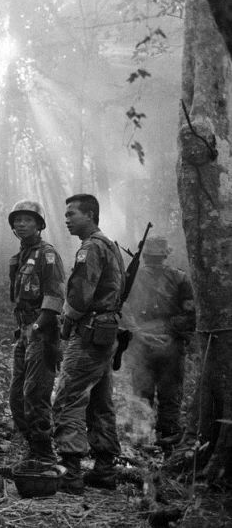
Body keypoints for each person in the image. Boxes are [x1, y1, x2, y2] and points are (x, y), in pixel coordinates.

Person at [54, 194, 125, 494]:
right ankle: (105, 470)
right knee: (100, 401)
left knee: (68, 396)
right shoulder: (110, 246)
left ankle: (70, 472)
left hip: (89, 332)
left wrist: (66, 320)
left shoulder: (91, 248)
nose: (67, 219)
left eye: (73, 214)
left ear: (91, 215)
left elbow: (81, 296)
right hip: (106, 333)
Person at [122, 236, 195, 448]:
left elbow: (190, 313)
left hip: (154, 342)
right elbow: (190, 314)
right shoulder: (179, 277)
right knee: (167, 395)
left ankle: (145, 439)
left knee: (144, 394)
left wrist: (143, 331)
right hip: (161, 342)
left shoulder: (134, 277)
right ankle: (164, 438)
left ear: (144, 255)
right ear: (166, 254)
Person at [7, 200, 66, 463]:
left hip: (42, 334)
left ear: (39, 224)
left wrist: (37, 327)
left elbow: (54, 298)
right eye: (17, 220)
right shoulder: (18, 258)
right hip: (24, 333)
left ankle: (44, 456)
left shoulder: (47, 254)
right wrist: (23, 330)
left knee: (36, 395)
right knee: (16, 397)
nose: (21, 224)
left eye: (28, 220)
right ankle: (33, 448)